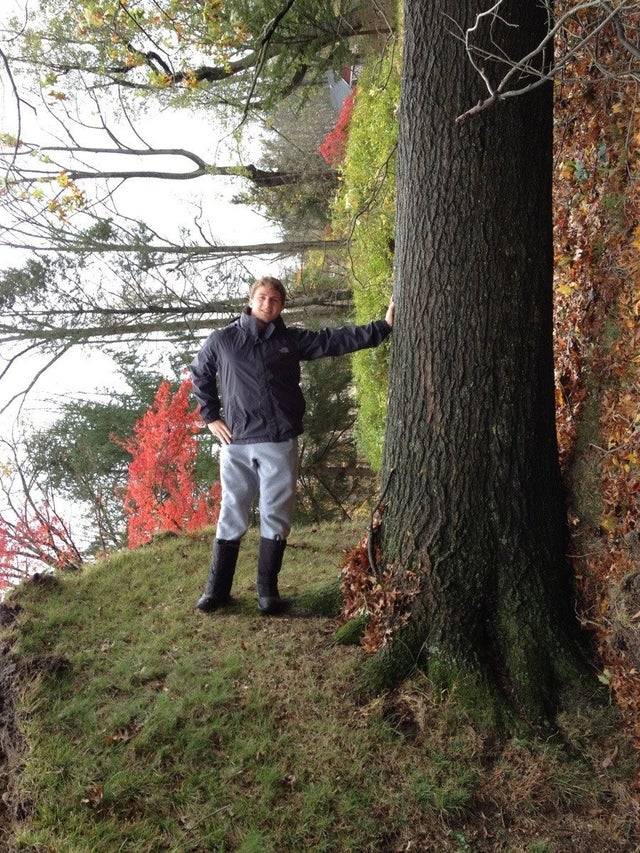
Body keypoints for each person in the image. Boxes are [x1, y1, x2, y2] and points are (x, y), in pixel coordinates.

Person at [190, 276, 394, 615]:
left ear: (281, 305)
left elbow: (333, 340)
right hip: (236, 442)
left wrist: (382, 328)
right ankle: (216, 591)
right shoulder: (223, 340)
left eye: (274, 300)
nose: (267, 304)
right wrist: (211, 416)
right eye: (262, 297)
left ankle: (267, 592)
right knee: (232, 512)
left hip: (279, 440)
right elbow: (200, 374)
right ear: (250, 300)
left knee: (276, 514)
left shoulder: (290, 340)